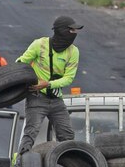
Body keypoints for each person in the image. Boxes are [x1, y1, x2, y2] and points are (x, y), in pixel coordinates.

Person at [15, 16, 82, 157]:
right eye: (71, 30)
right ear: (62, 31)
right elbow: (21, 62)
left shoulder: (73, 51)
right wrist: (23, 78)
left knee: (67, 135)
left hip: (57, 99)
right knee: (30, 133)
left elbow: (68, 78)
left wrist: (48, 84)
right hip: (36, 97)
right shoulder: (39, 44)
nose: (74, 33)